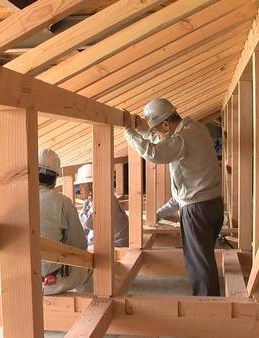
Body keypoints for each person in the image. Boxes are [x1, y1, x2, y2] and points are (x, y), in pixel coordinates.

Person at [123, 98, 223, 296]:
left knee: (199, 265)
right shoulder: (196, 128)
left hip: (197, 211)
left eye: (158, 131)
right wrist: (160, 213)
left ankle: (208, 309)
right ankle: (210, 302)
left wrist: (129, 132)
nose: (158, 136)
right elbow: (164, 142)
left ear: (167, 124)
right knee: (204, 259)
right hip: (213, 205)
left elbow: (155, 152)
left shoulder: (182, 139)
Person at [38, 149, 92, 295]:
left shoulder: (14, 199)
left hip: (16, 280)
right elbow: (79, 245)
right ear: (55, 178)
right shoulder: (62, 202)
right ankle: (94, 306)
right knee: (90, 267)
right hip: (49, 282)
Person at [74, 163, 129, 248]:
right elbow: (84, 228)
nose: (79, 189)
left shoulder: (101, 198)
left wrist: (82, 211)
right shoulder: (98, 196)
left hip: (116, 245)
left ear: (90, 185)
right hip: (116, 241)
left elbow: (88, 223)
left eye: (81, 185)